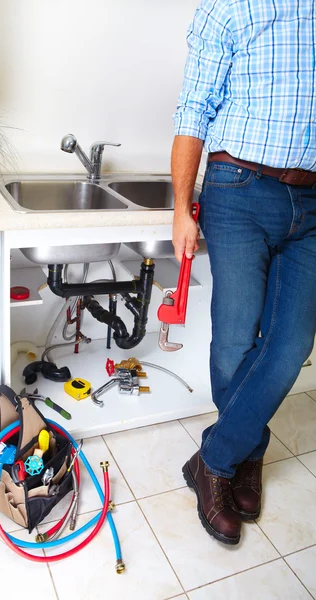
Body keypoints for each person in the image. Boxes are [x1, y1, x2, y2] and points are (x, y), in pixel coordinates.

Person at [172, 0, 316, 545]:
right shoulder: (229, 6)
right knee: (234, 340)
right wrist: (182, 207)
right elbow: (193, 108)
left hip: (312, 198)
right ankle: (246, 450)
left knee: (292, 343)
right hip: (239, 188)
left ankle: (215, 459)